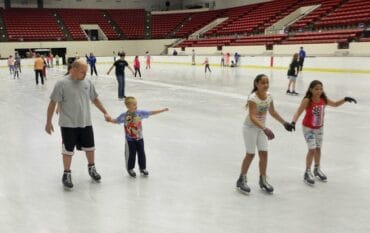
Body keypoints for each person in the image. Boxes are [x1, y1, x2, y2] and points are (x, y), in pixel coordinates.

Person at [45, 59, 111, 189]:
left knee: (90, 147)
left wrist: (105, 112)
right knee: (68, 149)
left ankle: (92, 168)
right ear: (73, 69)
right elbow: (53, 102)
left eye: (86, 72)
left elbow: (95, 99)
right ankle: (67, 174)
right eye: (82, 72)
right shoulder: (61, 84)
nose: (85, 74)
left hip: (85, 122)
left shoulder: (87, 82)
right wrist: (48, 122)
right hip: (68, 124)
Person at [290, 80, 357, 185]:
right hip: (308, 128)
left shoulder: (323, 100)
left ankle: (317, 168)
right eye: (316, 89)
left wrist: (345, 99)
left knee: (318, 148)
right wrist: (293, 122)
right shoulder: (307, 100)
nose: (319, 91)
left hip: (319, 128)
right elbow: (298, 112)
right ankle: (307, 171)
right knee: (311, 149)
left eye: (321, 89)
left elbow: (334, 104)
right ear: (311, 89)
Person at [236, 74, 294, 194]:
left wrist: (284, 123)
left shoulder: (269, 96)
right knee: (250, 154)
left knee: (264, 154)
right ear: (256, 84)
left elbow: (272, 112)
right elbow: (252, 117)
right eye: (262, 83)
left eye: (267, 82)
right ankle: (241, 179)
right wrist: (265, 128)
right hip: (250, 128)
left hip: (261, 129)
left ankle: (263, 179)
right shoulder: (253, 98)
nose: (266, 85)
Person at [107, 96, 169, 177]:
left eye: (136, 104)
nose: (136, 106)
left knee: (141, 153)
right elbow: (116, 121)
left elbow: (150, 113)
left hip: (140, 138)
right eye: (134, 104)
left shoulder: (140, 113)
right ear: (128, 106)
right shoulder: (124, 116)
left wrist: (162, 110)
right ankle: (130, 168)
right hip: (130, 140)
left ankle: (142, 168)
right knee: (131, 154)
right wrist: (109, 119)